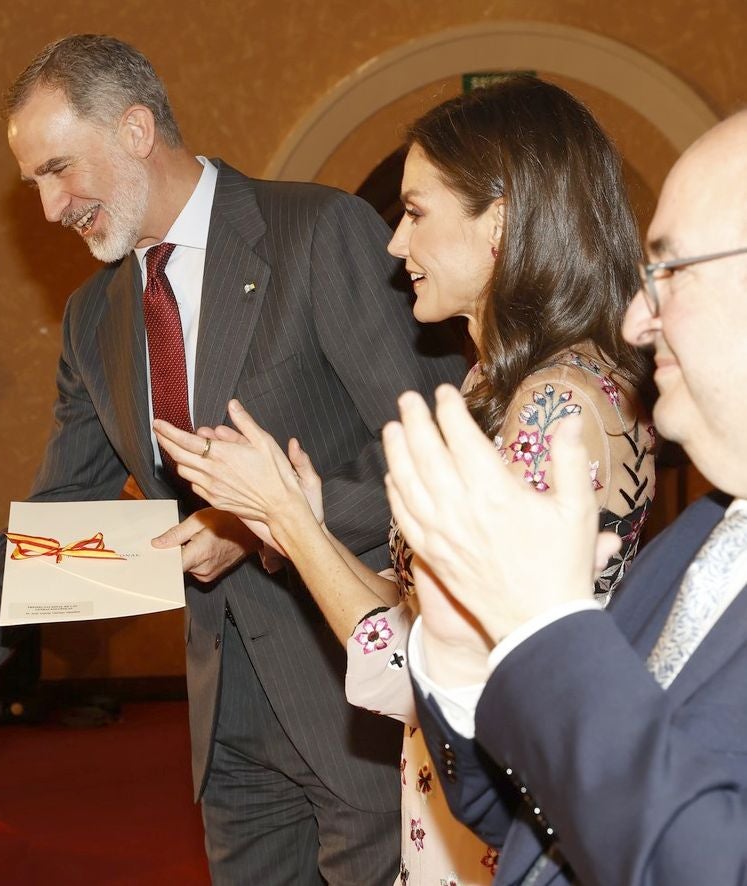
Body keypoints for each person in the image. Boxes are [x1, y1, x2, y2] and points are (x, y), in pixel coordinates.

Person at [0, 34, 464, 883]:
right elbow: (65, 511)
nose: (47, 206)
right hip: (225, 722)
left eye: (58, 169)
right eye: (34, 180)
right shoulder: (92, 318)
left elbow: (438, 448)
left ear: (137, 129)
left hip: (355, 687)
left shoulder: (315, 231)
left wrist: (262, 520)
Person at [155, 78, 656, 885]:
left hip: (513, 826)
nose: (393, 245)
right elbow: (417, 614)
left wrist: (285, 513)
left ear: (498, 218)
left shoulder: (556, 407)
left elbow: (426, 666)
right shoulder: (493, 385)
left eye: (416, 212)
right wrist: (291, 521)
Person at [379, 109, 747, 884]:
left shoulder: (562, 398)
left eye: (671, 272)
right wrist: (458, 656)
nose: (636, 319)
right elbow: (530, 811)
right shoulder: (706, 534)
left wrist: (540, 629)